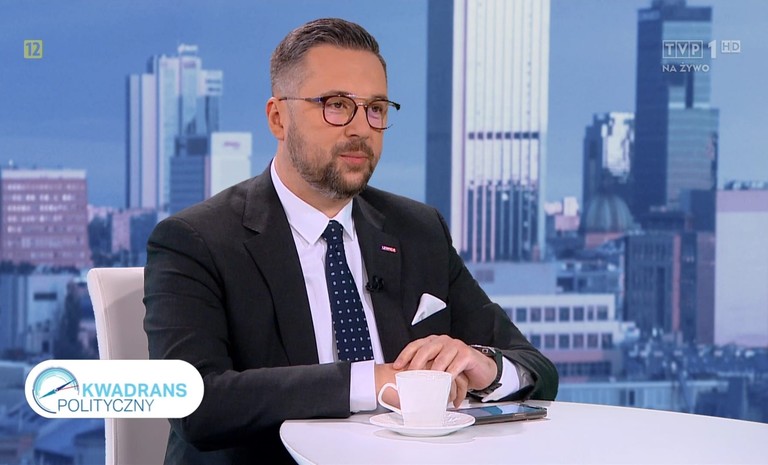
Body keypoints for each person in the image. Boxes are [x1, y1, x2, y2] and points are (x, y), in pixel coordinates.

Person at [144, 17, 558, 465]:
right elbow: (193, 402)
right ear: (278, 118)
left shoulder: (419, 230)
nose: (361, 128)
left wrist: (484, 366)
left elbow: (535, 369)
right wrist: (371, 382)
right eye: (337, 105)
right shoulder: (196, 241)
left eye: (375, 108)